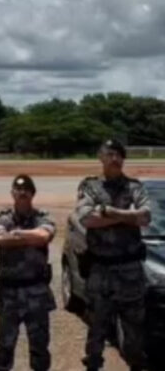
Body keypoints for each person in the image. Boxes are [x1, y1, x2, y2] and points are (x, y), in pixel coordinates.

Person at [75, 139, 150, 371]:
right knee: (96, 328)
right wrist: (128, 215)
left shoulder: (135, 187)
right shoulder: (89, 186)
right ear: (100, 156)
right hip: (100, 271)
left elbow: (146, 217)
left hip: (130, 271)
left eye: (119, 155)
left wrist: (109, 211)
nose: (115, 159)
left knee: (135, 330)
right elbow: (87, 219)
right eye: (110, 154)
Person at [0, 175, 56, 371]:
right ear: (12, 193)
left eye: (27, 190)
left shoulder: (42, 216)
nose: (22, 193)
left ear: (32, 194)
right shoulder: (2, 217)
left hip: (36, 291)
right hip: (9, 293)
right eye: (18, 190)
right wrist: (30, 237)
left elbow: (44, 236)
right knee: (4, 347)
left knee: (39, 348)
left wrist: (16, 234)